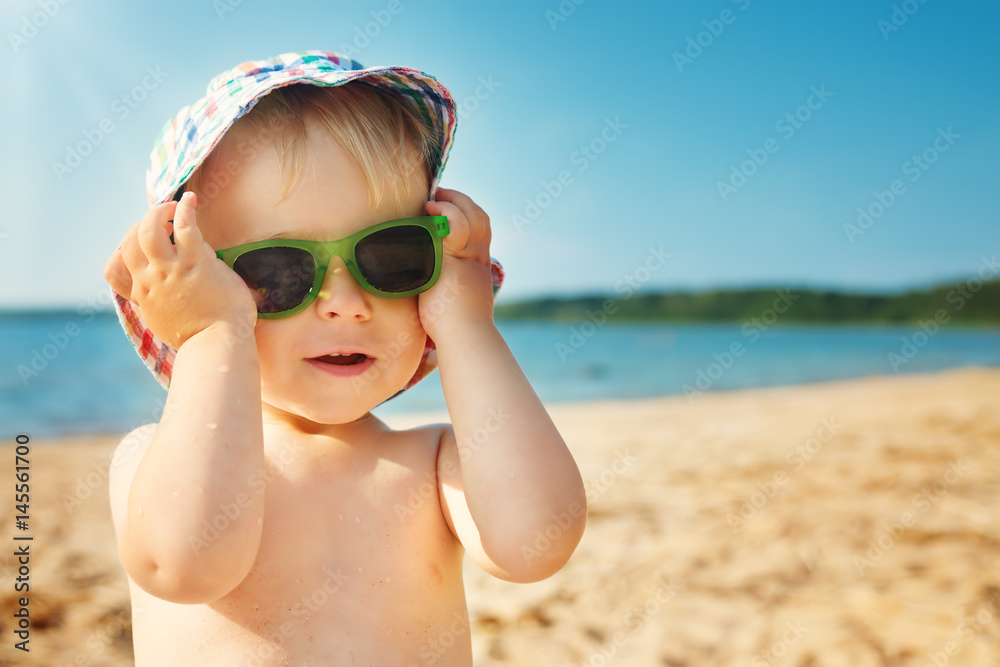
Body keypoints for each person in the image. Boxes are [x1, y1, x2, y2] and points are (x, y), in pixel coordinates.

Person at [101, 50, 587, 665]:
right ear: (192, 294)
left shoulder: (433, 464)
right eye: (275, 270)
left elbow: (536, 543)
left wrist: (466, 326)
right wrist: (211, 336)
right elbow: (184, 563)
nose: (346, 304)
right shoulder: (151, 455)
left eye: (391, 254)